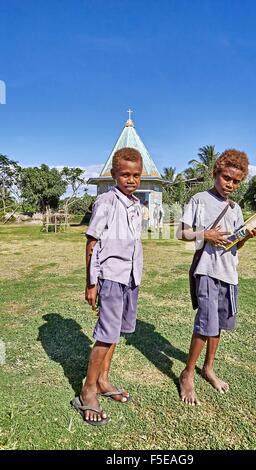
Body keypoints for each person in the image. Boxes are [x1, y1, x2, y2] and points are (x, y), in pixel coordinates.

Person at [176, 149, 256, 405]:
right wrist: (206, 235)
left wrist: (246, 236)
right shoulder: (199, 199)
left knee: (219, 324)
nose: (230, 185)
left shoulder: (235, 208)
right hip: (206, 270)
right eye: (226, 178)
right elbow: (181, 233)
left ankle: (208, 368)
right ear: (215, 173)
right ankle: (187, 373)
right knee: (205, 322)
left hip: (228, 273)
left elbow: (235, 245)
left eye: (236, 181)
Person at [71, 147, 143, 425]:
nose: (131, 180)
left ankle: (102, 380)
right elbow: (92, 244)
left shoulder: (136, 204)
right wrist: (91, 283)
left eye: (136, 175)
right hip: (111, 277)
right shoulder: (106, 202)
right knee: (105, 335)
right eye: (125, 174)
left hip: (130, 277)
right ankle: (87, 391)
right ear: (114, 175)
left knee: (115, 334)